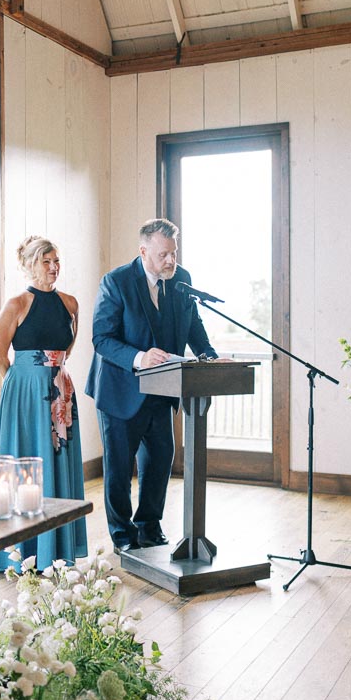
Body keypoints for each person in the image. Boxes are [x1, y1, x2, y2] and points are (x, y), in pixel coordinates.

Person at [85, 218, 217, 552]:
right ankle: (121, 535)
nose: (171, 261)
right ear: (143, 251)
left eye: (174, 253)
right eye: (163, 255)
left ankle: (148, 525)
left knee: (160, 458)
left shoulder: (181, 280)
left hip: (163, 389)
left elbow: (193, 326)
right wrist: (139, 357)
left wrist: (210, 356)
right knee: (118, 468)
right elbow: (101, 338)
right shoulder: (116, 282)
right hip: (119, 390)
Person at [0, 237, 87, 573]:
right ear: (30, 265)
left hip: (60, 390)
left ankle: (56, 550)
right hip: (25, 393)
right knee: (24, 460)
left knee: (57, 464)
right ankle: (20, 552)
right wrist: (22, 388)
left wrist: (53, 376)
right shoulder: (16, 304)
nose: (54, 267)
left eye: (56, 260)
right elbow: (0, 355)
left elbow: (67, 349)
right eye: (46, 261)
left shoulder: (71, 304)